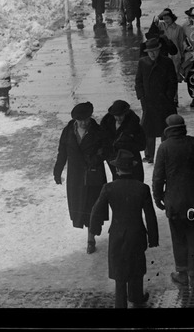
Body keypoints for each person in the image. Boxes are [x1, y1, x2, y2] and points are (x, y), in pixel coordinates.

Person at [88, 150, 160, 309]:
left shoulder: (109, 188)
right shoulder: (142, 188)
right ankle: (136, 296)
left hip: (117, 233)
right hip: (137, 233)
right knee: (137, 267)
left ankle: (120, 304)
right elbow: (150, 215)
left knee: (119, 271)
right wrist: (153, 238)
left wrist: (93, 231)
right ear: (132, 169)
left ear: (117, 170)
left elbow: (95, 210)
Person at [53, 102, 110, 254]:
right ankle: (89, 232)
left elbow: (106, 150)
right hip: (76, 176)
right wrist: (57, 171)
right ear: (75, 120)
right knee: (80, 206)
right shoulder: (68, 132)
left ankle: (91, 239)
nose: (84, 123)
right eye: (81, 121)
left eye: (86, 119)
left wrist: (96, 159)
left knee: (93, 205)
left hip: (93, 174)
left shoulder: (98, 131)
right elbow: (62, 152)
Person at [152, 114, 194, 290]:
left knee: (178, 237)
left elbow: (158, 177)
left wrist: (158, 197)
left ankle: (182, 274)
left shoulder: (164, 147)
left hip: (174, 202)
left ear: (168, 129)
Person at [135, 38, 178, 163]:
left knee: (166, 129)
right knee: (149, 131)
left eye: (155, 51)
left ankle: (166, 154)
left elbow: (172, 81)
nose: (153, 54)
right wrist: (142, 97)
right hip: (149, 102)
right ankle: (149, 156)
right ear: (147, 52)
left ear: (159, 50)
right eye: (150, 52)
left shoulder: (167, 62)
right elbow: (138, 82)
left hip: (165, 102)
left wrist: (169, 97)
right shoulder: (142, 62)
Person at [100, 101, 146, 182]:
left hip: (131, 161)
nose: (118, 118)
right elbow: (104, 142)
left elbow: (142, 145)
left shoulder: (134, 126)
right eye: (116, 116)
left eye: (121, 115)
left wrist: (126, 144)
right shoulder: (106, 125)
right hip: (115, 161)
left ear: (126, 113)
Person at [157, 8, 188, 80]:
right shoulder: (160, 26)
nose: (166, 21)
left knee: (174, 78)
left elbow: (181, 43)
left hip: (175, 57)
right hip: (163, 56)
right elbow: (152, 30)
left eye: (167, 18)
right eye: (164, 19)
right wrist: (159, 16)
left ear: (172, 18)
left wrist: (182, 57)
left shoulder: (179, 29)